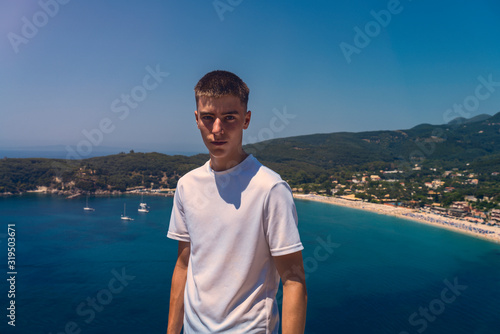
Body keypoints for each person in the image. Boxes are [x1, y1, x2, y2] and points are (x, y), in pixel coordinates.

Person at [166, 70, 307, 334]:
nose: (217, 129)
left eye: (229, 117)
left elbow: (293, 280)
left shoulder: (271, 189)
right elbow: (184, 265)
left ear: (247, 119)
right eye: (208, 117)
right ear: (197, 119)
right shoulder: (187, 185)